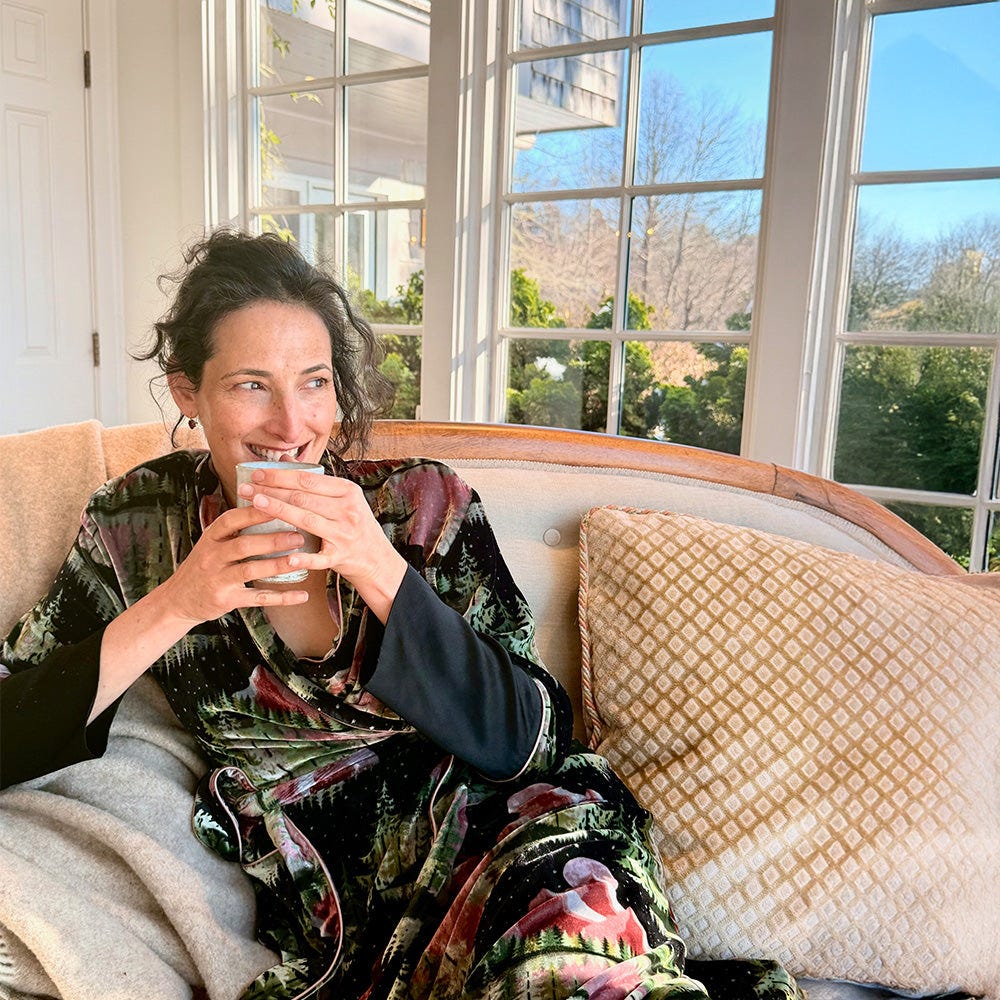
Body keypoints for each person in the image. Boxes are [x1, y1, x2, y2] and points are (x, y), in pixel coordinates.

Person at [0, 231, 800, 1000]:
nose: (291, 425)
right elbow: (15, 726)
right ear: (189, 392)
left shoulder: (417, 503)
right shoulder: (137, 524)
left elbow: (528, 740)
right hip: (351, 912)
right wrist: (180, 602)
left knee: (573, 957)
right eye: (252, 386)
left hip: (522, 836)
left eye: (314, 382)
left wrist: (379, 570)